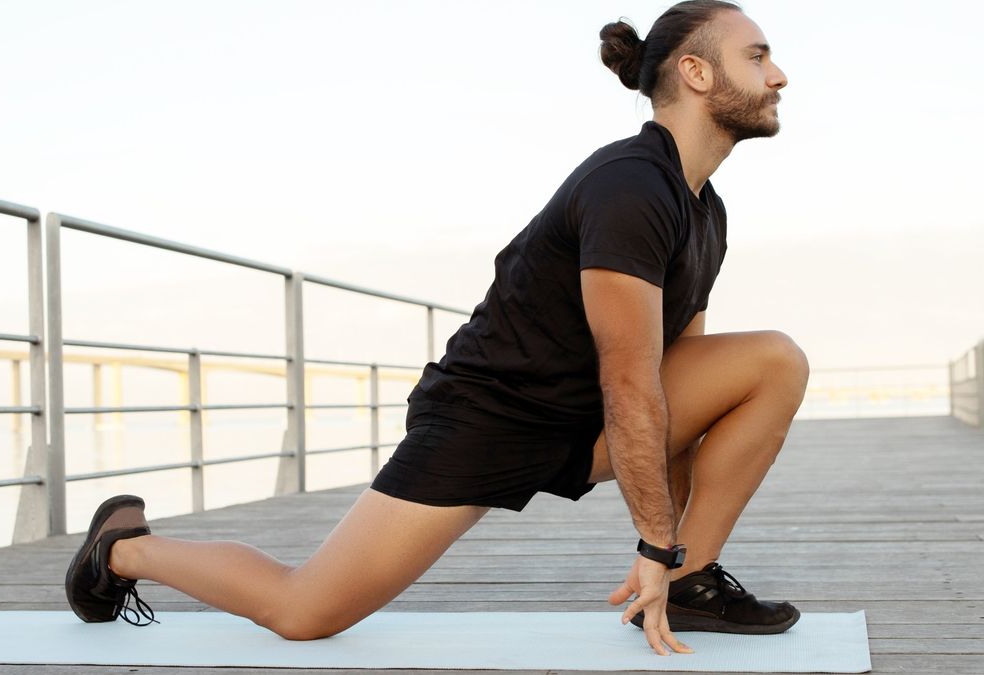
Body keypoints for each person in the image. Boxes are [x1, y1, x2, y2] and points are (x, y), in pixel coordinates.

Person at [65, 0, 806, 658]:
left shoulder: (706, 210)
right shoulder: (631, 186)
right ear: (696, 74)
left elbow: (676, 391)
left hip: (583, 419)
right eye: (757, 55)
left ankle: (690, 581)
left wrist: (670, 552)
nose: (778, 76)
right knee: (304, 611)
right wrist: (652, 537)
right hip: (488, 418)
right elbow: (628, 376)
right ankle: (126, 549)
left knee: (774, 361)